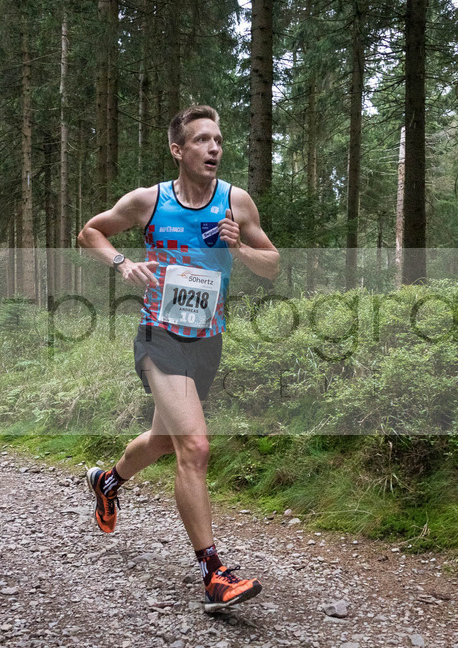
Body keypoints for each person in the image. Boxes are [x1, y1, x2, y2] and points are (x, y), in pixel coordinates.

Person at [77, 105, 279, 612]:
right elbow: (90, 232)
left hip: (207, 340)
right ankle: (214, 575)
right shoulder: (149, 201)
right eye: (202, 140)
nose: (214, 148)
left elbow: (273, 265)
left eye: (218, 140)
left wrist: (240, 249)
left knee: (165, 440)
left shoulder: (235, 202)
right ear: (178, 149)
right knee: (195, 446)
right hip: (159, 335)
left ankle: (107, 481)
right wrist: (122, 263)